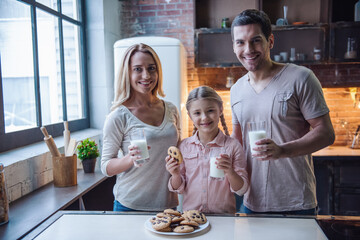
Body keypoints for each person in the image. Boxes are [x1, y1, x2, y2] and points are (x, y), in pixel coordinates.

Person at [230, 9, 335, 214]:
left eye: (256, 40)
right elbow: (237, 141)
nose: (248, 49)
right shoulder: (236, 89)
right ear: (234, 46)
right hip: (252, 202)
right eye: (240, 42)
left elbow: (326, 133)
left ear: (270, 41)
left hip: (296, 203)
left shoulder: (301, 78)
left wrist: (282, 150)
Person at [101, 43, 180, 211]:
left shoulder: (171, 109)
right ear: (127, 73)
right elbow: (106, 166)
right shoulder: (118, 116)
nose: (146, 75)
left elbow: (178, 152)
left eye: (152, 68)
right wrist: (129, 159)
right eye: (138, 69)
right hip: (130, 206)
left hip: (168, 205)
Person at [165, 86, 249, 214]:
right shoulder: (184, 146)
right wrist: (175, 174)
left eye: (210, 110)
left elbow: (241, 190)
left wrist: (229, 171)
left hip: (224, 219)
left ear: (220, 109)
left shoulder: (232, 146)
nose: (204, 118)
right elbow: (178, 188)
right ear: (190, 116)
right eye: (197, 113)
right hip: (192, 219)